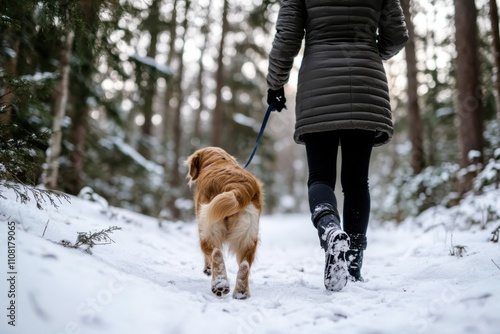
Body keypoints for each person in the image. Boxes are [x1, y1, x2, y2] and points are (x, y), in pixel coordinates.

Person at [266, 0, 408, 291]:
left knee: (320, 177)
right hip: (368, 84)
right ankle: (353, 265)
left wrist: (275, 84)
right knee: (357, 182)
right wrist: (369, 52)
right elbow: (396, 34)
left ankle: (329, 227)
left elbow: (288, 35)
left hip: (319, 85)